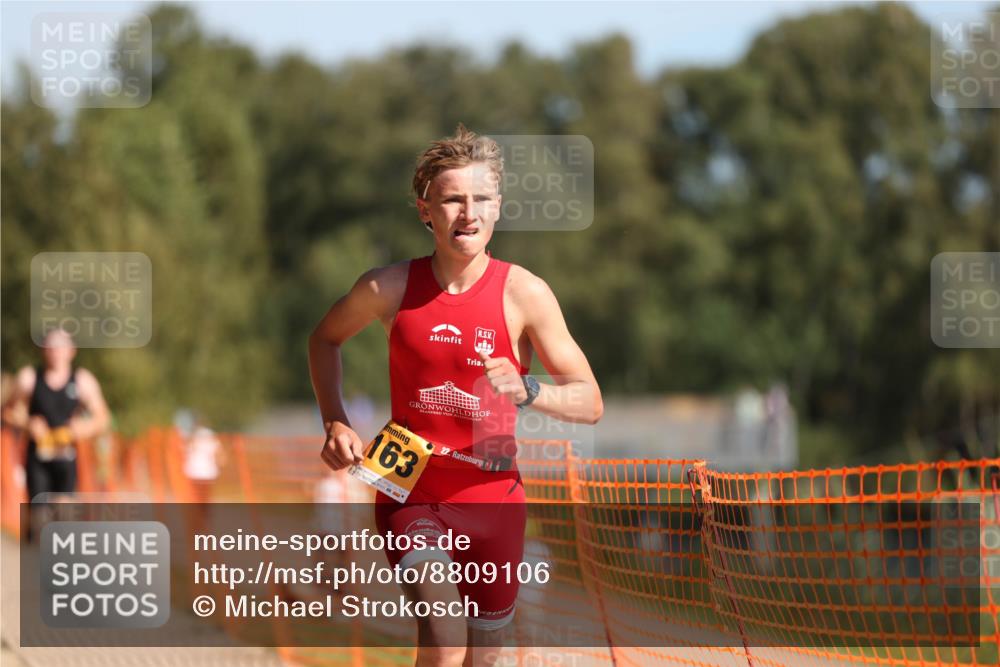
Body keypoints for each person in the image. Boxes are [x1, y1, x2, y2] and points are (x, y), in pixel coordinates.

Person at [309, 124, 602, 667]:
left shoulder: (525, 294)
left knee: (482, 658)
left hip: (493, 500)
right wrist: (336, 419)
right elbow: (324, 339)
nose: (468, 212)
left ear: (498, 208)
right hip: (408, 486)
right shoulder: (387, 287)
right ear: (425, 210)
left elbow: (589, 400)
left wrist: (528, 388)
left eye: (481, 199)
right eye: (452, 200)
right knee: (445, 644)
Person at [1, 328, 110, 540]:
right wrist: (28, 423)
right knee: (40, 519)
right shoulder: (29, 378)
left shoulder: (82, 381)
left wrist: (83, 428)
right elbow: (8, 413)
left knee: (64, 517)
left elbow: (102, 417)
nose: (55, 351)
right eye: (51, 346)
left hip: (67, 457)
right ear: (44, 350)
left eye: (60, 346)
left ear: (72, 351)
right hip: (37, 458)